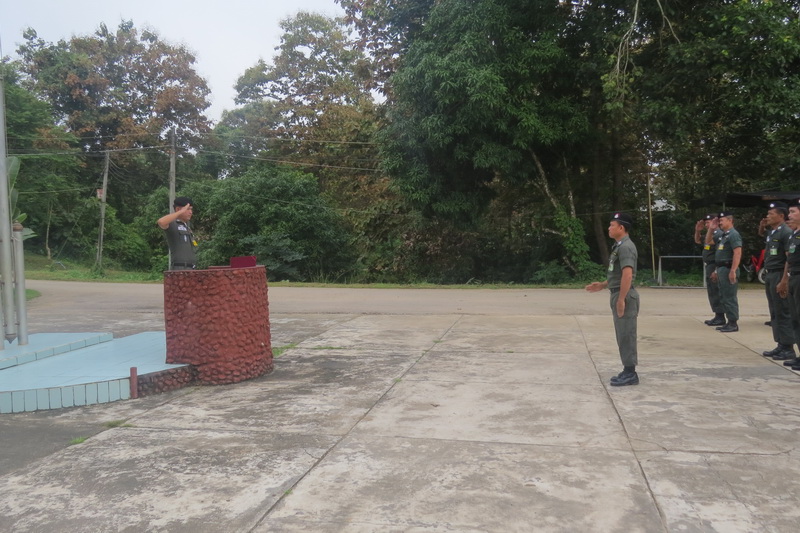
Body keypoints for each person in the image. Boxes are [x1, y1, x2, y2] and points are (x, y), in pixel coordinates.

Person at [586, 212, 640, 386]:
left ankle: (630, 373)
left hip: (624, 294)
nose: (609, 228)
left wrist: (621, 299)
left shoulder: (626, 247)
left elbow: (627, 275)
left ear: (621, 228)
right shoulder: (618, 246)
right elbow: (618, 275)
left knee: (626, 334)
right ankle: (627, 369)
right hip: (617, 292)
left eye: (612, 225)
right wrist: (603, 285)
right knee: (622, 333)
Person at [759, 202, 794, 360]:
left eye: (771, 214)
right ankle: (780, 343)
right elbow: (761, 234)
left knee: (783, 310)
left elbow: (789, 258)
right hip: (770, 274)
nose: (768, 216)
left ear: (781, 216)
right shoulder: (773, 232)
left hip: (779, 274)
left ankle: (788, 347)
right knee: (775, 311)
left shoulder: (786, 232)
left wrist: (784, 280)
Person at [709, 211, 742, 332]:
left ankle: (733, 323)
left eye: (722, 220)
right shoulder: (723, 235)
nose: (720, 223)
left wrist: (733, 270)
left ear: (730, 220)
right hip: (721, 268)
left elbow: (737, 253)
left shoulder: (733, 234)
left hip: (728, 268)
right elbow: (708, 241)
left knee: (729, 297)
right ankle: (729, 321)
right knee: (723, 296)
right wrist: (711, 229)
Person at [778, 199, 800, 369]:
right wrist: (785, 279)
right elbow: (789, 259)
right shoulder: (794, 234)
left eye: (793, 212)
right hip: (794, 278)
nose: (789, 215)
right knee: (795, 318)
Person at [696, 214, 725, 326]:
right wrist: (698, 231)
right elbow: (698, 240)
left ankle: (720, 316)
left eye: (708, 222)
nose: (707, 225)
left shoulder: (719, 234)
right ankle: (717, 315)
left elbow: (720, 253)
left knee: (716, 291)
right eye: (706, 223)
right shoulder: (710, 234)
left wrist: (716, 270)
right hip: (709, 265)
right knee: (712, 291)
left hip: (714, 265)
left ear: (715, 223)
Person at [157, 196, 197, 270]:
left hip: (191, 268)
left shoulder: (187, 226)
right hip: (179, 268)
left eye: (191, 209)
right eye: (188, 209)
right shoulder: (172, 224)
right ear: (178, 209)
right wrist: (180, 212)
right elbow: (161, 222)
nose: (190, 212)